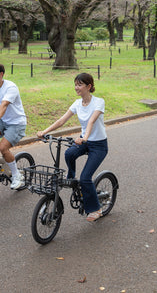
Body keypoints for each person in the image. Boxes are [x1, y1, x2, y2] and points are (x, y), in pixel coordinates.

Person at [37, 73, 107, 222]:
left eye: (80, 84)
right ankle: (71, 177)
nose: (77, 87)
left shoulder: (99, 102)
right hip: (84, 141)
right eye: (75, 84)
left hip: (98, 145)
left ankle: (96, 209)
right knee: (69, 153)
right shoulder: (77, 103)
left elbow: (91, 121)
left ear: (89, 86)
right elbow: (62, 120)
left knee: (86, 178)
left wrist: (85, 138)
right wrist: (45, 132)